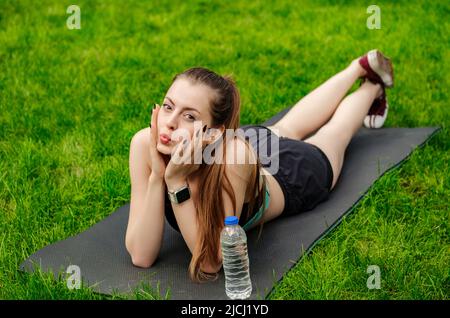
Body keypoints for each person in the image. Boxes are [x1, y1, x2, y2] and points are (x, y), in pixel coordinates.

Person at [125, 49, 394, 282]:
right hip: (252, 144)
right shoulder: (143, 145)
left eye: (189, 116)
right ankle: (356, 68)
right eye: (169, 107)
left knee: (333, 134)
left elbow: (210, 263)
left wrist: (175, 182)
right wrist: (157, 177)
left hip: (290, 175)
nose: (170, 122)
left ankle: (372, 88)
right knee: (287, 126)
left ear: (213, 133)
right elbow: (141, 255)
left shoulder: (232, 159)